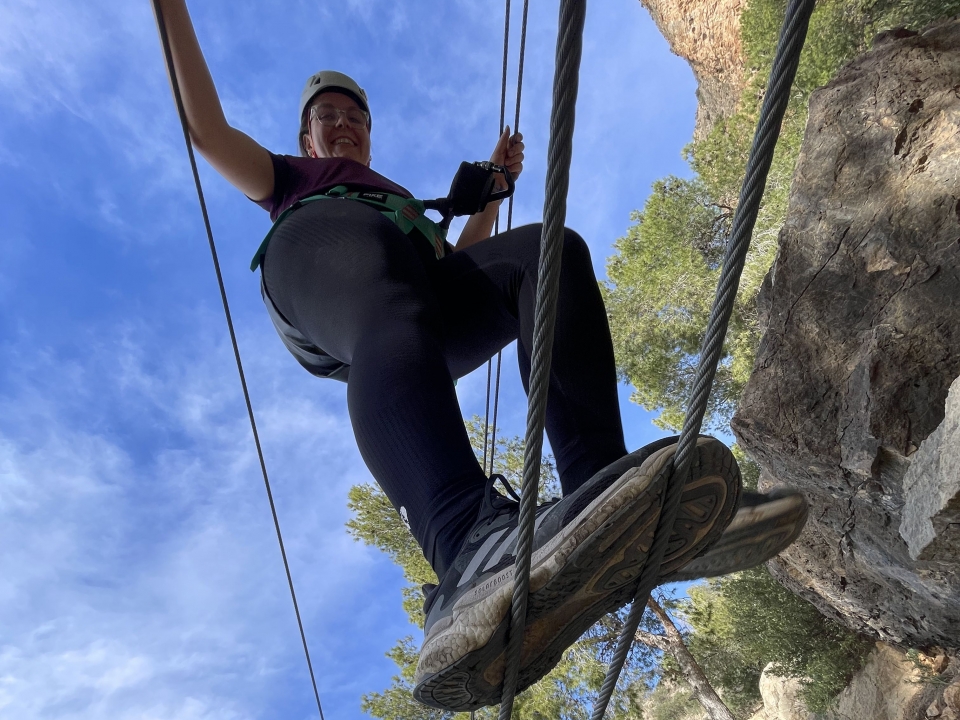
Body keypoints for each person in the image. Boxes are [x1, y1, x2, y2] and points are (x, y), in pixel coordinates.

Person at [152, 0, 807, 711]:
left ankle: (607, 492)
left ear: (369, 135)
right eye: (327, 116)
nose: (342, 123)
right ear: (307, 137)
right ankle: (464, 546)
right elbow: (207, 131)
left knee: (546, 255)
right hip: (321, 269)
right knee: (389, 294)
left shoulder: (398, 203)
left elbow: (454, 272)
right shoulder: (290, 180)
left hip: (407, 299)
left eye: (355, 117)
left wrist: (491, 193)